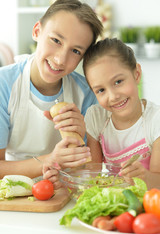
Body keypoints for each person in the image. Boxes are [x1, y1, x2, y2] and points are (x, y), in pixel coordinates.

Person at [0, 0, 103, 185]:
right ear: (37, 31)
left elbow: (91, 174)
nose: (60, 59)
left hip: (63, 189)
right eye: (56, 40)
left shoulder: (86, 94)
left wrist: (82, 138)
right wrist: (49, 160)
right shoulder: (4, 84)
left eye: (75, 51)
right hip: (14, 189)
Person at [81, 37, 160, 190]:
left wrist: (144, 177)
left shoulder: (155, 120)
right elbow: (92, 174)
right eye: (101, 90)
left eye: (118, 82)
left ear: (136, 74)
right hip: (115, 203)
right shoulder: (96, 117)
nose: (113, 96)